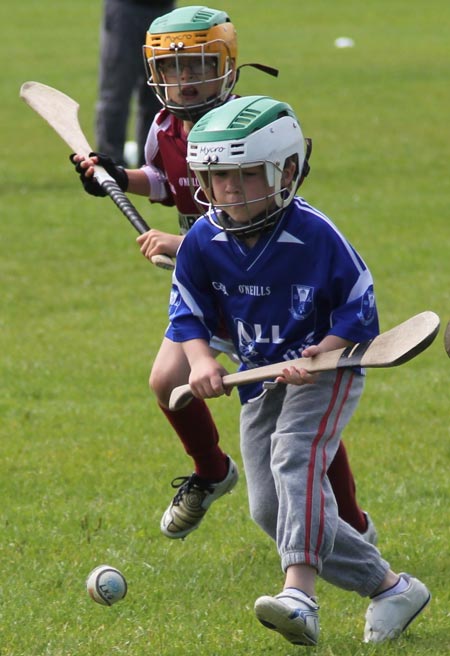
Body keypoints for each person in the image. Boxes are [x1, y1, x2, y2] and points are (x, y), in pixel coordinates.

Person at [70, 6, 375, 545]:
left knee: (297, 413)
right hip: (210, 285)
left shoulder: (253, 123)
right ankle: (212, 471)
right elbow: (167, 182)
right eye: (171, 69)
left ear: (229, 65)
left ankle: (350, 522)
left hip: (268, 284)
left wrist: (182, 242)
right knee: (168, 382)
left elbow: (266, 221)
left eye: (197, 66)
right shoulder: (164, 127)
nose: (184, 82)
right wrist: (118, 177)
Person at [165, 94, 431, 645]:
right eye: (217, 177)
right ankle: (391, 588)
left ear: (286, 169)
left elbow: (360, 307)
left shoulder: (316, 236)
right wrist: (201, 362)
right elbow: (185, 311)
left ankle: (300, 595)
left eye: (245, 174)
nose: (229, 190)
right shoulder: (201, 240)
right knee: (269, 510)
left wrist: (321, 351)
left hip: (325, 371)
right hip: (259, 380)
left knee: (296, 456)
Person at [95, 0, 175, 166]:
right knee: (116, 93)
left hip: (165, 12)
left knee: (161, 95)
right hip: (126, 9)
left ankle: (152, 164)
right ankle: (110, 166)